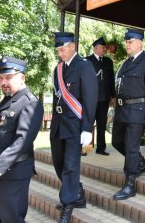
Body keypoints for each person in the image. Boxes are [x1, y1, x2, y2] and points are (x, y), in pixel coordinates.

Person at [50, 32, 98, 223]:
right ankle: (77, 193)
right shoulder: (58, 70)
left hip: (75, 125)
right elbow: (56, 98)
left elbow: (90, 99)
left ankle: (67, 206)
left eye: (62, 49)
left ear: (73, 46)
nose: (60, 53)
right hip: (58, 123)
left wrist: (87, 129)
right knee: (58, 163)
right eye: (58, 50)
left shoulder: (84, 66)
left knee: (70, 166)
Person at [0, 56, 44, 223]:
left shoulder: (30, 103)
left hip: (11, 173)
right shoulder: (7, 100)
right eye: (0, 78)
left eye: (8, 77)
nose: (3, 82)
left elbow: (23, 140)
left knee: (11, 219)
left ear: (22, 77)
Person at [112, 28, 145, 200]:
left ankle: (129, 183)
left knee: (131, 147)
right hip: (122, 110)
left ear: (140, 43)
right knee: (117, 141)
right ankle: (141, 163)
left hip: (137, 111)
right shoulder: (126, 63)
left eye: (130, 42)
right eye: (126, 42)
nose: (127, 44)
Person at [86, 37, 116, 156]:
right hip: (90, 99)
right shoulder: (87, 61)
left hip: (104, 98)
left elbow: (111, 80)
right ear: (95, 48)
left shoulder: (108, 61)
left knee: (102, 124)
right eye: (102, 47)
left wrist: (113, 96)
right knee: (88, 124)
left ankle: (101, 148)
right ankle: (85, 147)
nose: (104, 49)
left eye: (105, 48)